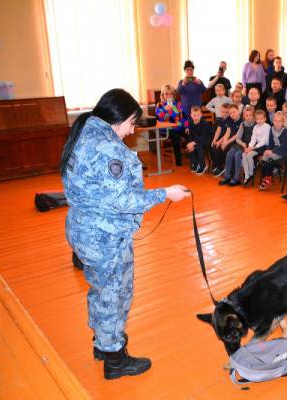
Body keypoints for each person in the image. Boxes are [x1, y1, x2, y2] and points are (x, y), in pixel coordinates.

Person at [60, 89, 190, 380]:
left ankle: (102, 343)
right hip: (105, 235)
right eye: (132, 123)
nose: (132, 131)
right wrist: (165, 193)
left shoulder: (84, 133)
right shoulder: (109, 150)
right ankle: (115, 359)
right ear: (118, 118)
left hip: (84, 230)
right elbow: (123, 201)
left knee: (99, 289)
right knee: (114, 295)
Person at [221, 106, 256, 186]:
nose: (248, 117)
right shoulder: (242, 124)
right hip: (241, 144)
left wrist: (249, 146)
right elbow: (237, 138)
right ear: (244, 116)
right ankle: (227, 176)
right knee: (229, 154)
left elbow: (256, 139)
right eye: (246, 115)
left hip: (249, 146)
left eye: (250, 115)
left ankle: (236, 178)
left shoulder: (255, 124)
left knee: (237, 155)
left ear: (253, 116)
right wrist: (241, 143)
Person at [258, 111, 287, 190]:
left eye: (279, 121)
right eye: (275, 121)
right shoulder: (272, 129)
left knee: (269, 159)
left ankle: (267, 179)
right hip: (275, 150)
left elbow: (284, 145)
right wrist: (267, 150)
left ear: (283, 122)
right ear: (273, 121)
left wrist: (272, 151)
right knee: (264, 158)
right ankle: (266, 177)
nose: (277, 123)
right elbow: (270, 143)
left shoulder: (285, 131)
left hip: (285, 151)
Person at [154, 84, 185, 166]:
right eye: (166, 94)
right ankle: (179, 162)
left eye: (170, 93)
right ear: (162, 95)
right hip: (165, 129)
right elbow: (159, 116)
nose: (168, 96)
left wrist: (186, 126)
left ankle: (195, 159)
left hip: (177, 127)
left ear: (173, 95)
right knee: (175, 135)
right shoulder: (159, 105)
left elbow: (182, 117)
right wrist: (165, 109)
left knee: (190, 132)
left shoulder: (177, 104)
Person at [242, 110, 271, 185]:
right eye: (257, 119)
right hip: (256, 145)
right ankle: (247, 175)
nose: (259, 121)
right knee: (244, 154)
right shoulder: (255, 127)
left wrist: (253, 148)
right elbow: (253, 138)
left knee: (249, 155)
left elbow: (264, 140)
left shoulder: (267, 127)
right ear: (255, 119)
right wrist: (249, 147)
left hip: (264, 146)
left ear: (265, 119)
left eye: (261, 119)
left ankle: (251, 173)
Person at [177, 60, 205, 126]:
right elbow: (178, 91)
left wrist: (199, 83)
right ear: (185, 70)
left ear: (193, 70)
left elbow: (203, 90)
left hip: (197, 107)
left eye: (191, 70)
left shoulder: (198, 81)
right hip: (186, 108)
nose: (190, 71)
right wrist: (183, 83)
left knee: (198, 123)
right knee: (188, 124)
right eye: (188, 70)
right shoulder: (181, 82)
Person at [184, 106, 212, 174]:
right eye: (194, 115)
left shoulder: (204, 123)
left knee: (199, 146)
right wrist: (190, 143)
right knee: (189, 146)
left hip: (206, 140)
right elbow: (191, 135)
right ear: (191, 115)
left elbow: (203, 136)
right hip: (196, 140)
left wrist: (193, 143)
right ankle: (195, 164)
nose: (196, 117)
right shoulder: (190, 123)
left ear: (201, 115)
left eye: (198, 115)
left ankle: (203, 166)